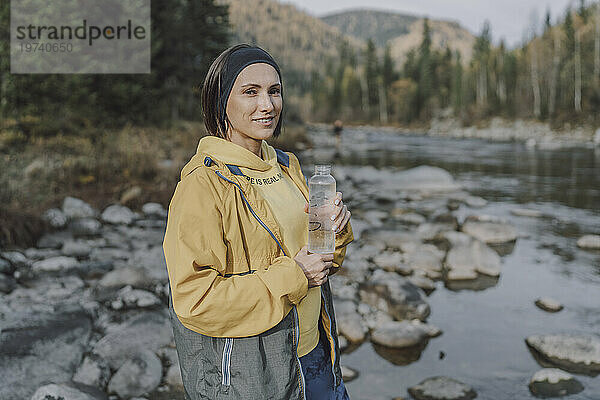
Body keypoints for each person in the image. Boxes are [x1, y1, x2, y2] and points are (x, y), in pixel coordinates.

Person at [162, 43, 354, 400]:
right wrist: (294, 276)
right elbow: (194, 301)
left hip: (316, 357)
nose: (268, 105)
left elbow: (321, 263)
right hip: (254, 379)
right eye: (250, 92)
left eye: (274, 91)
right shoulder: (202, 185)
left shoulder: (286, 164)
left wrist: (335, 231)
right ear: (221, 102)